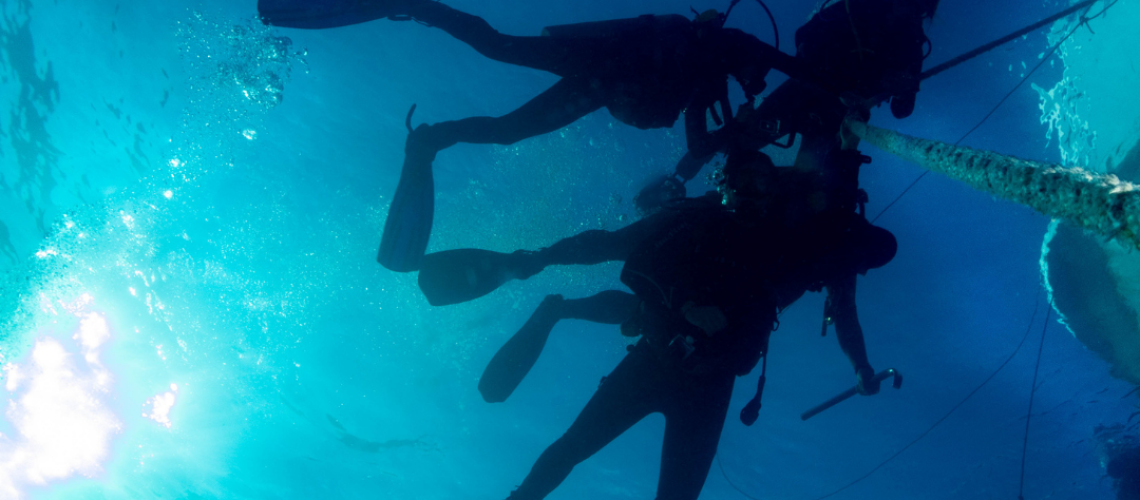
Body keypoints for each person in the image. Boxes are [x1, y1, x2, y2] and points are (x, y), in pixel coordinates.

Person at [422, 148, 897, 499]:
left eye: (764, 188)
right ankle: (555, 304)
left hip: (712, 384)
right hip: (656, 354)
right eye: (746, 185)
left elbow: (850, 295)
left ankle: (560, 305)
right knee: (573, 446)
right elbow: (624, 252)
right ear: (727, 185)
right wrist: (542, 257)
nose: (755, 198)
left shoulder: (791, 247)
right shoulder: (699, 218)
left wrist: (859, 364)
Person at [257, 0, 800, 272]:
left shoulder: (709, 87)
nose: (757, 84)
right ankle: (420, 8)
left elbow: (697, 149)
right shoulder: (727, 53)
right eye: (756, 77)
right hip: (603, 63)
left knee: (510, 123)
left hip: (598, 80)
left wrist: (737, 132)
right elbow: (791, 68)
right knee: (501, 53)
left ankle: (436, 135)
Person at [651, 0, 936, 200]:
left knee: (806, 179)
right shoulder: (858, 8)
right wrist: (830, 69)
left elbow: (902, 109)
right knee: (741, 140)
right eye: (909, 2)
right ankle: (677, 180)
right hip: (801, 95)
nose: (909, 12)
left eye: (920, 8)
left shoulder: (911, 45)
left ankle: (761, 209)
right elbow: (805, 37)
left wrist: (903, 89)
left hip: (837, 118)